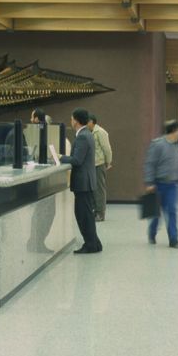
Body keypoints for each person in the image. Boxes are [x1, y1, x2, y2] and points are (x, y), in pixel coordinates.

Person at [66, 108, 102, 255]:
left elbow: (77, 160)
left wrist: (60, 158)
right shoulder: (88, 134)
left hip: (83, 182)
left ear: (76, 120)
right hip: (87, 181)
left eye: (71, 118)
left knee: (83, 215)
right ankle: (95, 243)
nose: (70, 121)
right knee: (86, 214)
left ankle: (90, 245)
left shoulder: (82, 136)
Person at [143, 120, 178, 248]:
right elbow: (150, 164)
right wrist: (149, 182)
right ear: (174, 131)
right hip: (158, 184)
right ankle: (152, 233)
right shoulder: (157, 144)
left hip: (172, 185)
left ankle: (173, 239)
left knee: (172, 211)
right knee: (156, 214)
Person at [87, 113, 113, 221]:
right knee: (92, 189)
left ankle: (101, 213)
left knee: (99, 190)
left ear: (91, 122)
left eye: (87, 121)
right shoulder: (88, 132)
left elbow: (107, 149)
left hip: (99, 164)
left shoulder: (101, 132)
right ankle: (95, 211)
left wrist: (108, 162)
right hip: (90, 165)